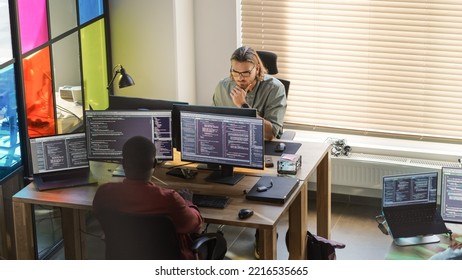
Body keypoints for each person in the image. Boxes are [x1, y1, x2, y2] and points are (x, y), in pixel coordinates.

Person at [93, 136, 227, 260]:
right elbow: (195, 225)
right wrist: (187, 202)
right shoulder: (169, 199)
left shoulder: (104, 194)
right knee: (219, 242)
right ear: (155, 163)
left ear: (123, 163)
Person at [213, 46, 287, 140]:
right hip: (230, 142)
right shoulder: (222, 87)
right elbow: (214, 123)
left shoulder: (275, 88)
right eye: (235, 72)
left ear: (257, 69)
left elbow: (271, 134)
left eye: (245, 73)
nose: (240, 78)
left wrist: (244, 106)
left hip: (261, 145)